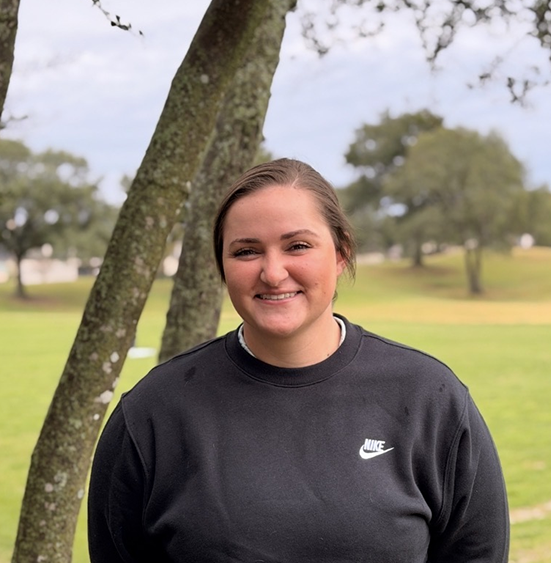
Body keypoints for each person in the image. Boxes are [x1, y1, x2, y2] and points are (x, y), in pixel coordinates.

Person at [88, 158, 509, 562]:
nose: (273, 273)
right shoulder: (151, 415)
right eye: (246, 251)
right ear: (221, 265)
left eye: (298, 246)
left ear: (341, 253)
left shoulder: (429, 398)